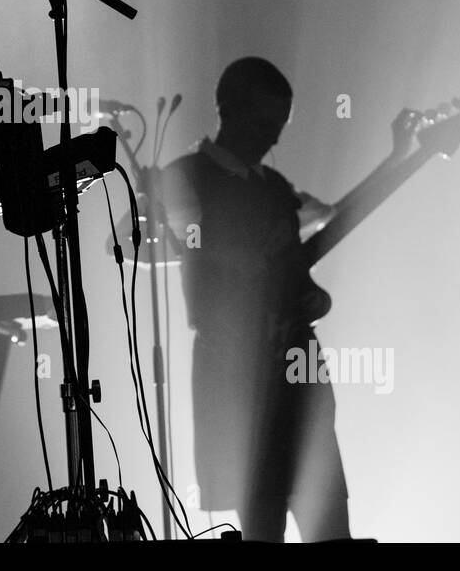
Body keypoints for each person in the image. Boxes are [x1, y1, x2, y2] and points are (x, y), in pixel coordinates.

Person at [161, 57, 414, 541]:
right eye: (264, 123)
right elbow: (183, 235)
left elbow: (333, 216)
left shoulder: (275, 188)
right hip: (236, 375)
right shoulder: (187, 175)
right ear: (227, 110)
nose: (273, 139)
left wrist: (396, 160)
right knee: (262, 522)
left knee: (329, 523)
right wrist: (236, 257)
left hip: (298, 372)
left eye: (280, 127)